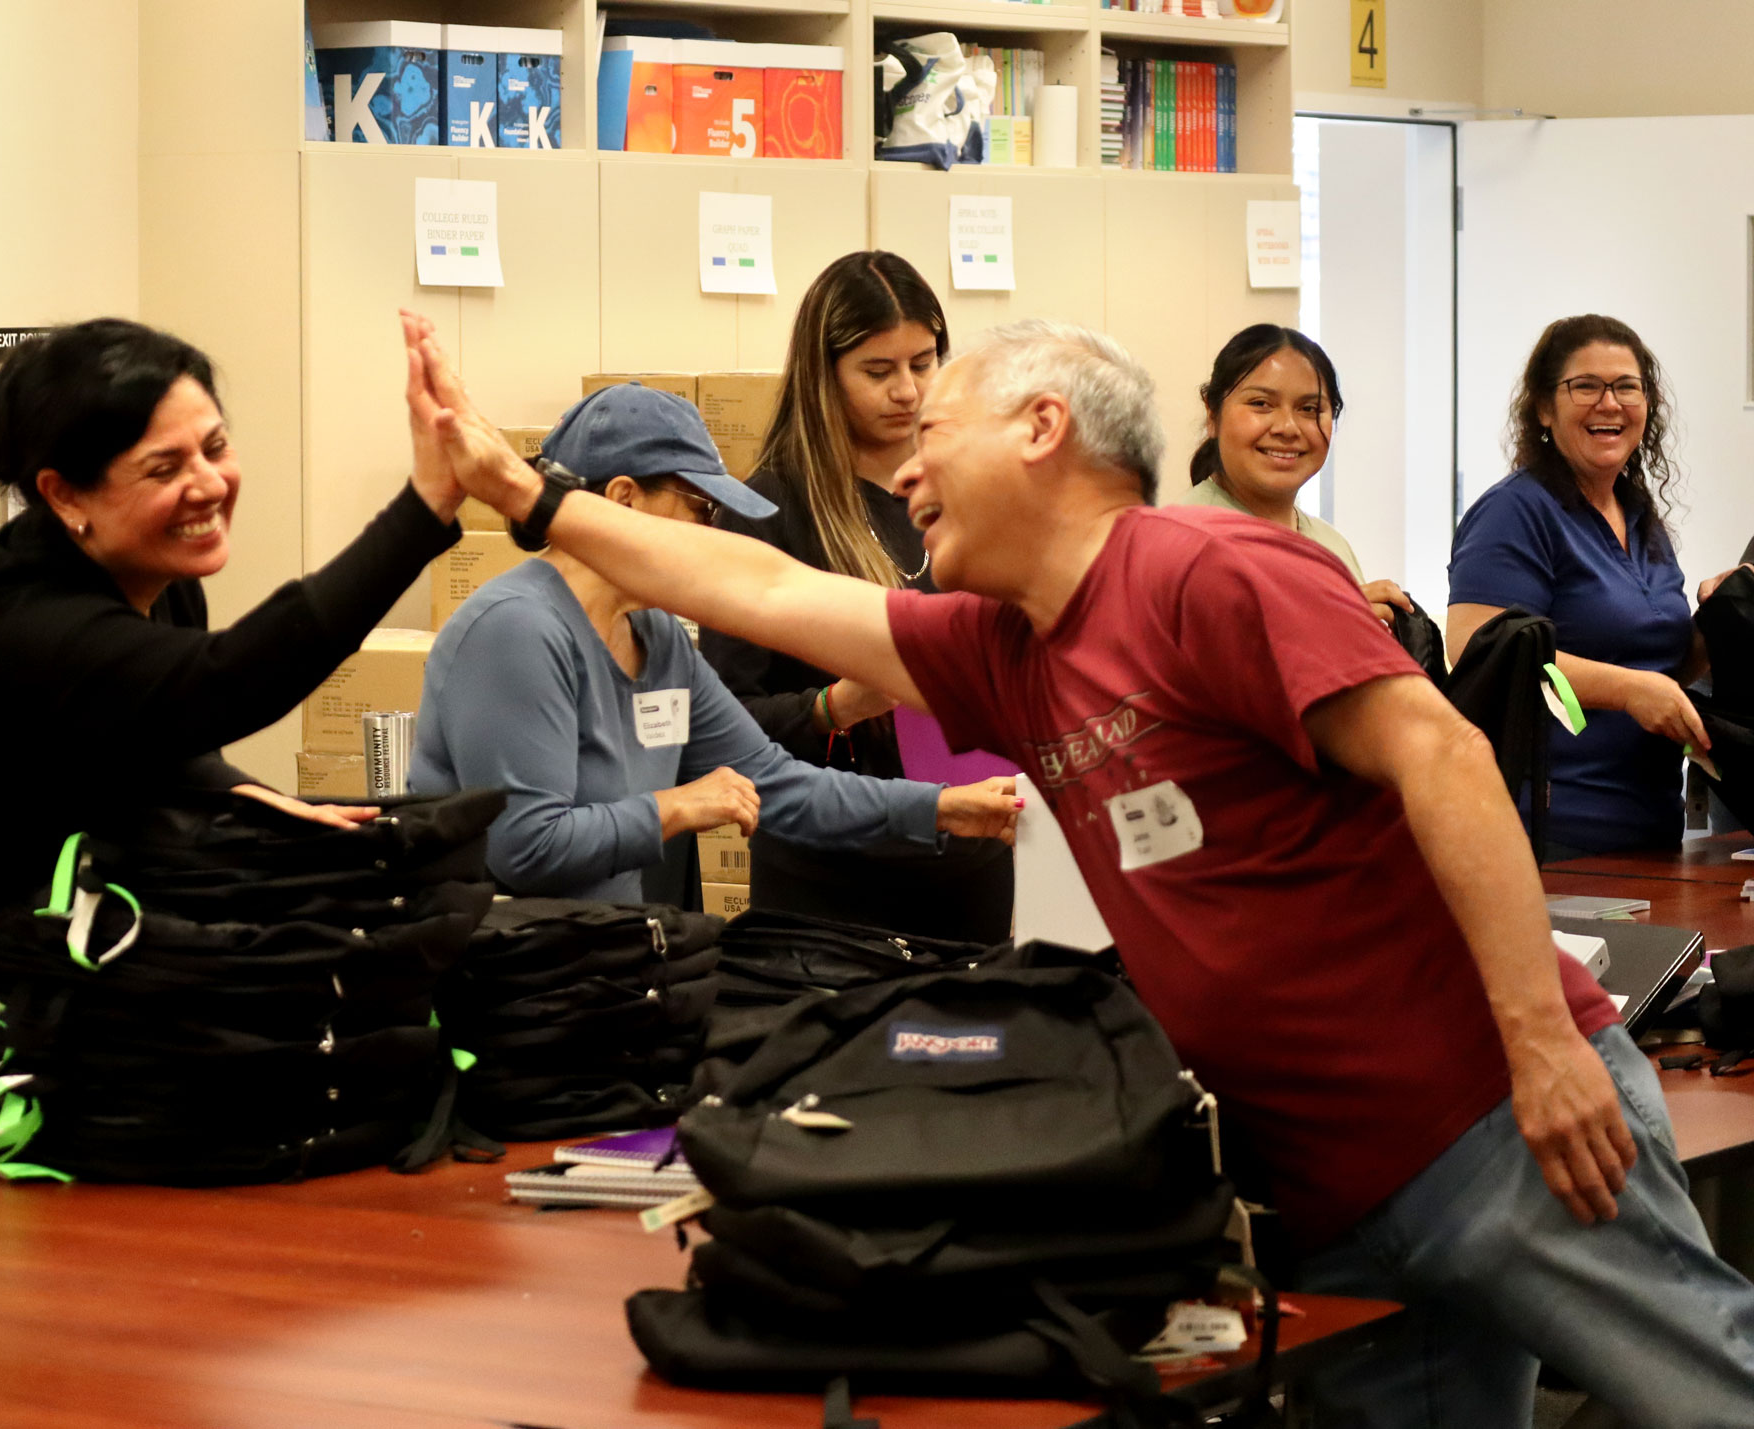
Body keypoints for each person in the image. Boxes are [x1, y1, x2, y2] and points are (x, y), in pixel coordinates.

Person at [404, 312, 1754, 1428]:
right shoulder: (1008, 644)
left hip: (1498, 1131)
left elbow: (1445, 759)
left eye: (936, 438)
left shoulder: (1207, 569)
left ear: (1043, 428)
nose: (909, 475)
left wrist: (1542, 1041)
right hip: (1328, 1191)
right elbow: (754, 592)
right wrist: (523, 490)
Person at [0, 316, 467, 1150]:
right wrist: (425, 508)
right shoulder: (33, 625)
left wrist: (248, 795)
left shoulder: (148, 581)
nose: (208, 484)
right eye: (164, 467)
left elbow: (155, 728)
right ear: (64, 496)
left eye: (215, 446)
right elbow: (228, 681)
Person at [405, 381, 1020, 904]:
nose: (712, 534)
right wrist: (677, 807)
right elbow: (526, 849)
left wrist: (942, 809)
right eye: (701, 507)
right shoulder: (518, 630)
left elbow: (774, 782)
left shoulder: (659, 637)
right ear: (623, 500)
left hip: (595, 976)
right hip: (497, 999)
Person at [701, 251, 1013, 941]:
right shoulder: (768, 507)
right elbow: (726, 722)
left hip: (971, 863)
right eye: (878, 371)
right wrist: (835, 704)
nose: (907, 389)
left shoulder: (976, 489)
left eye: (924, 362)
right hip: (830, 878)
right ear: (823, 376)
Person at [1447, 315, 1737, 858]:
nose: (1610, 403)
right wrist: (1629, 691)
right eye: (1586, 386)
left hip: (1651, 829)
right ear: (1542, 408)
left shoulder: (1639, 517)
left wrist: (1723, 615)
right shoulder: (1515, 511)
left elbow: (1661, 667)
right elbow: (1478, 650)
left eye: (1627, 386)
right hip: (1548, 834)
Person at [1178, 323, 1413, 627]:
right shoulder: (1182, 540)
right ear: (1212, 414)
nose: (1287, 427)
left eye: (1309, 408)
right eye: (1261, 404)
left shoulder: (1330, 543)